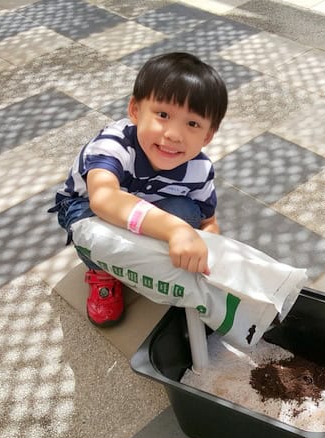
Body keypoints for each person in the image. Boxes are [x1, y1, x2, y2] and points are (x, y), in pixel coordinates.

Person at [50, 52, 227, 327]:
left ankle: (146, 261)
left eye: (192, 123)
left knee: (186, 211)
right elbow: (104, 198)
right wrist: (175, 230)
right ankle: (102, 272)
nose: (173, 134)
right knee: (89, 227)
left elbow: (208, 221)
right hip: (88, 210)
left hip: (152, 214)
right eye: (163, 115)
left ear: (207, 135)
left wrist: (207, 254)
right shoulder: (113, 144)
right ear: (135, 110)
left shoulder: (200, 169)